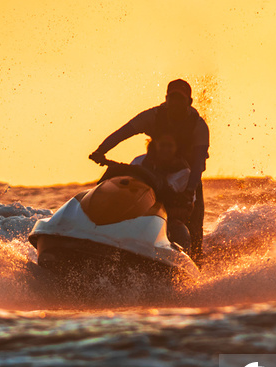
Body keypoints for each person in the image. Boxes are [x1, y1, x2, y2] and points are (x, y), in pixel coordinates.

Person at [89, 79, 209, 262]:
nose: (175, 103)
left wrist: (189, 192)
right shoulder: (153, 117)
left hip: (186, 178)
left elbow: (199, 163)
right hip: (153, 172)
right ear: (166, 99)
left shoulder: (198, 126)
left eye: (180, 99)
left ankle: (194, 264)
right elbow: (123, 132)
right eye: (172, 98)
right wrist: (101, 150)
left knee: (193, 226)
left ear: (189, 102)